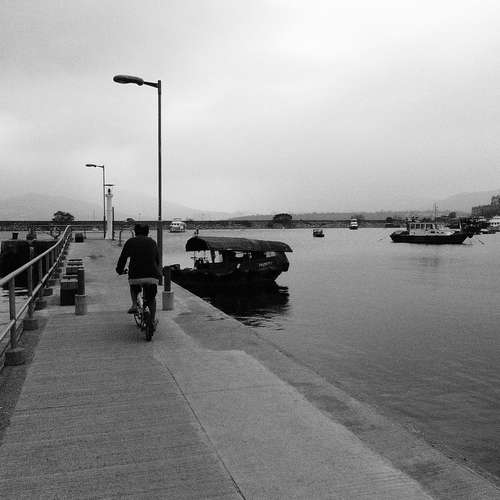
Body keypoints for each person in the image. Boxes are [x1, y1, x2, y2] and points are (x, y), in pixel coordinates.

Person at [116, 223, 161, 329]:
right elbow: (157, 260)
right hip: (152, 276)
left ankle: (134, 305)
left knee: (134, 286)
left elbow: (123, 258)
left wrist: (119, 270)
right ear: (147, 232)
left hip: (135, 275)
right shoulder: (152, 242)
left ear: (135, 232)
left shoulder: (130, 242)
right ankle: (152, 321)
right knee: (151, 298)